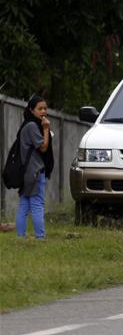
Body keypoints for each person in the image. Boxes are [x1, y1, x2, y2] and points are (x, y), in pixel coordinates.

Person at [16, 96, 52, 239]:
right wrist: (46, 129)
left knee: (25, 205)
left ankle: (21, 237)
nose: (43, 111)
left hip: (28, 171)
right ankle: (40, 237)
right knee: (37, 204)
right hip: (35, 171)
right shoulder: (32, 126)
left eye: (45, 108)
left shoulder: (27, 124)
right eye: (40, 108)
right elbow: (43, 147)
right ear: (31, 110)